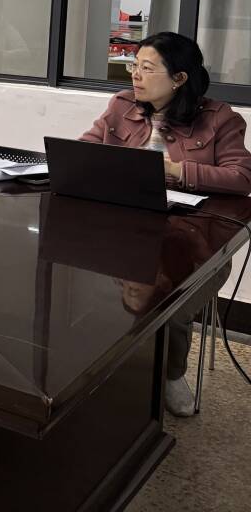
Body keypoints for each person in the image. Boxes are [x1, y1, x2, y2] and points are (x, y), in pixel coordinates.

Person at [80, 31, 251, 417]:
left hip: (195, 244)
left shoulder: (219, 119)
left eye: (147, 68)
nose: (135, 76)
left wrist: (176, 170)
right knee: (78, 278)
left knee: (166, 298)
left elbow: (242, 177)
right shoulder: (121, 105)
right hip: (125, 232)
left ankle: (171, 373)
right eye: (134, 66)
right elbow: (85, 149)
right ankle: (104, 373)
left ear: (179, 78)